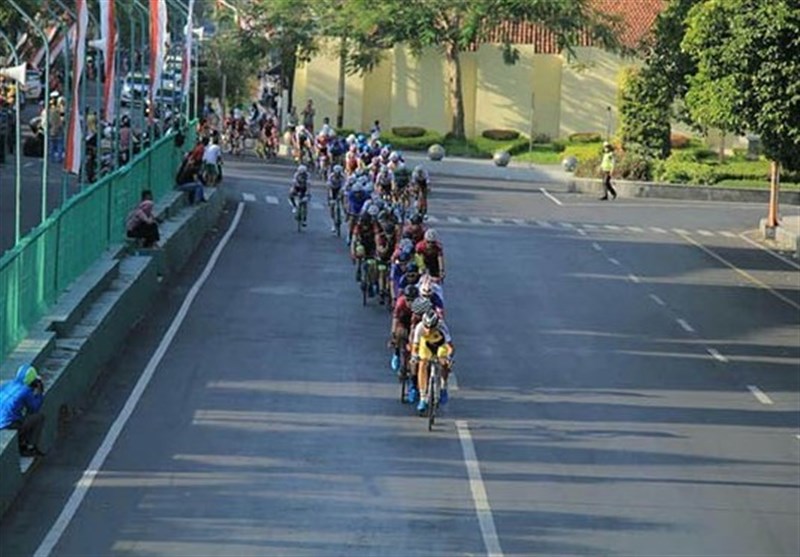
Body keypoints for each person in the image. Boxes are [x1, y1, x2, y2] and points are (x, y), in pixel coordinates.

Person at [410, 310, 454, 412]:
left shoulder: (442, 326)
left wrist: (449, 357)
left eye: (431, 328)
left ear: (436, 325)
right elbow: (415, 347)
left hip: (440, 344)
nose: (428, 330)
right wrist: (414, 357)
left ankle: (443, 387)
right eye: (426, 327)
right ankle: (422, 398)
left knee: (443, 361)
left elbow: (450, 347)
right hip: (426, 345)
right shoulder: (419, 328)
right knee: (422, 364)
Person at [0, 364, 46, 457]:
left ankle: (23, 442)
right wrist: (39, 393)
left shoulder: (9, 384)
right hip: (8, 424)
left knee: (21, 416)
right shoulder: (25, 391)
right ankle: (30, 447)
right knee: (39, 418)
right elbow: (34, 408)